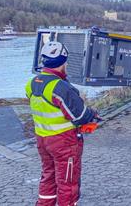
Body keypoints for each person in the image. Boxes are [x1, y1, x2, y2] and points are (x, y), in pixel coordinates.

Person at [25, 41, 99, 206]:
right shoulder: (60, 87)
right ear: (63, 61)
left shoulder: (32, 83)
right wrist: (93, 114)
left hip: (42, 140)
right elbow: (80, 115)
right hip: (63, 143)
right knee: (67, 183)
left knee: (48, 177)